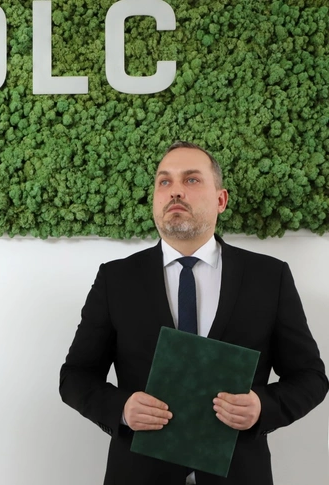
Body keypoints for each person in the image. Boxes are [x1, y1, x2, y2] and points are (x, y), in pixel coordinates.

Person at [59, 141, 328, 485]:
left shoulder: (268, 277)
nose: (175, 191)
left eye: (191, 179)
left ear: (221, 200)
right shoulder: (116, 278)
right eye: (164, 181)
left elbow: (310, 378)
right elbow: (75, 376)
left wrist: (262, 407)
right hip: (139, 474)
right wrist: (121, 409)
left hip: (238, 474)